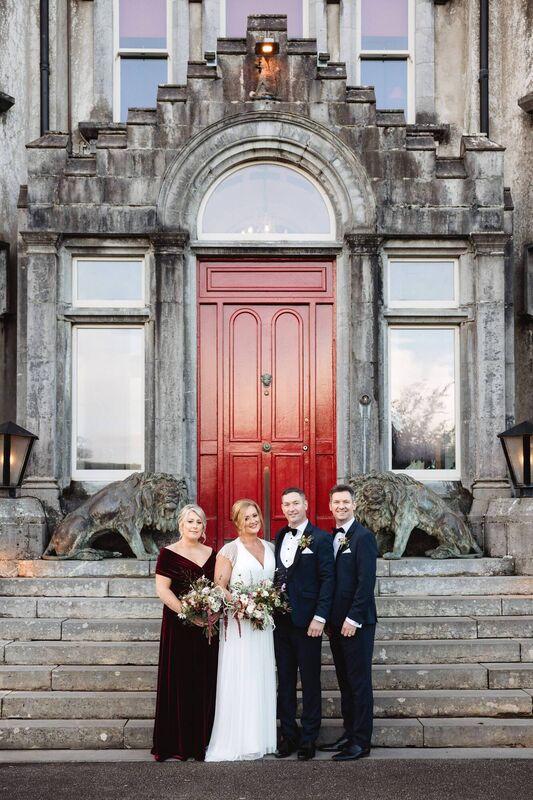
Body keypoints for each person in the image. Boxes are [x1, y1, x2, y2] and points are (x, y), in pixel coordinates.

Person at [205, 499, 277, 761]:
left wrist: (265, 604)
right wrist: (242, 604)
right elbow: (219, 587)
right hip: (239, 625)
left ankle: (261, 738)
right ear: (236, 522)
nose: (252, 520)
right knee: (242, 677)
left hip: (264, 624)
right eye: (246, 517)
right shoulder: (229, 551)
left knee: (261, 676)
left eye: (255, 515)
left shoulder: (269, 547)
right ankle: (239, 740)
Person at [151, 503, 218, 762]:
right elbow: (163, 590)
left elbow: (218, 587)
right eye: (190, 521)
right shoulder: (168, 553)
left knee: (204, 680)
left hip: (206, 629)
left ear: (203, 527)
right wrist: (188, 614)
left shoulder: (212, 553)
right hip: (179, 626)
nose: (194, 526)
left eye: (199, 522)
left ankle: (202, 740)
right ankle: (176, 743)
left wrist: (212, 613)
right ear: (181, 525)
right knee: (180, 681)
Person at [273, 487, 335, 761]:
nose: (290, 508)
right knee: (284, 681)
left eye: (295, 503)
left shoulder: (321, 539)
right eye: (286, 504)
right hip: (280, 621)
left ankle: (309, 737)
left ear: (306, 504)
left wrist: (320, 618)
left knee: (310, 681)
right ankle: (288, 734)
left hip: (308, 622)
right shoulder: (279, 535)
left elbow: (328, 580)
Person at [320, 483, 378, 761]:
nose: (341, 506)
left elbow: (366, 584)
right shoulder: (335, 537)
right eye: (336, 502)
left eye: (346, 502)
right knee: (344, 681)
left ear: (354, 505)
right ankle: (348, 733)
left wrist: (353, 618)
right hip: (337, 624)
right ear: (330, 506)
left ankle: (361, 742)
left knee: (359, 682)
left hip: (357, 623)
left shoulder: (363, 537)